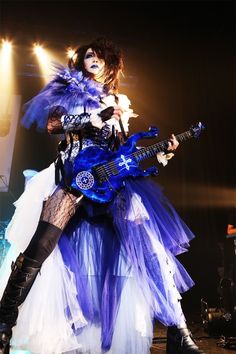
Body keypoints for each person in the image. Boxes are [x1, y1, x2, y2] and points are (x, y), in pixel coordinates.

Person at [0, 37, 205, 354]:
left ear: (110, 63)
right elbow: (53, 123)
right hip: (74, 175)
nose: (92, 56)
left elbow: (123, 149)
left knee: (149, 250)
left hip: (111, 183)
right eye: (87, 54)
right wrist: (93, 117)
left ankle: (179, 333)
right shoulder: (70, 91)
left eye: (99, 54)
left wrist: (162, 152)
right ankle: (3, 322)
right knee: (41, 245)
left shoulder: (120, 101)